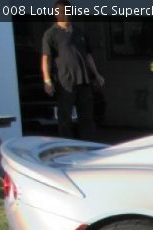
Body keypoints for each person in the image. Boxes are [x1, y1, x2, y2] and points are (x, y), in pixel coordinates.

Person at [41, 0, 105, 139]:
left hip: (84, 81)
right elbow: (46, 59)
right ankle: (66, 146)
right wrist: (47, 80)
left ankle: (88, 145)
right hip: (65, 83)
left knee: (87, 117)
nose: (64, 14)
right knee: (65, 118)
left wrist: (96, 74)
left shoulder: (79, 32)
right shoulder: (50, 34)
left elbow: (88, 55)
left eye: (67, 11)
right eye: (61, 12)